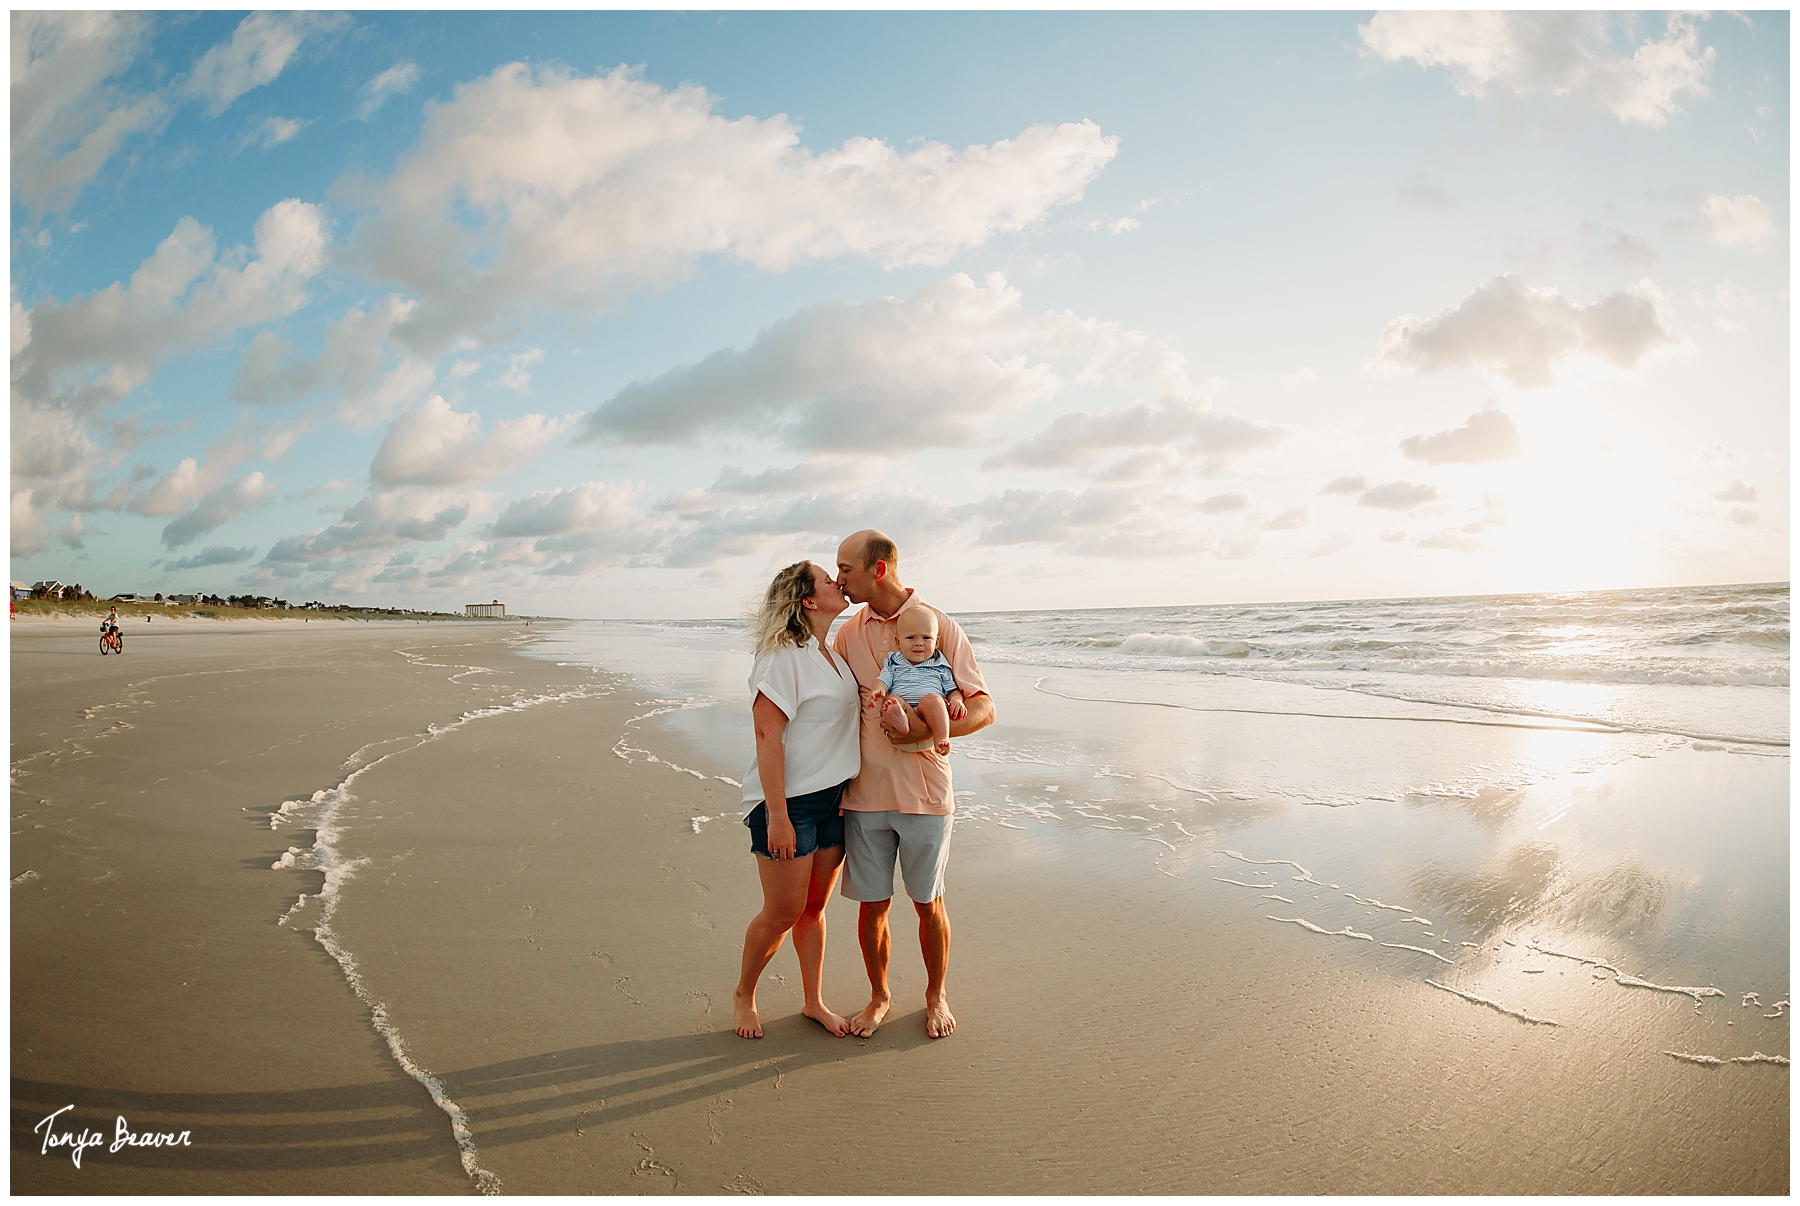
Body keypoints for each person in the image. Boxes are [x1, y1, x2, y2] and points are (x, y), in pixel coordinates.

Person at [833, 530, 995, 1039]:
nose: (839, 579)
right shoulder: (847, 634)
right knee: (872, 906)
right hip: (862, 795)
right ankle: (879, 997)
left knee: (929, 904)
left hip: (925, 794)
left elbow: (985, 707)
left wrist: (927, 731)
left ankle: (935, 996)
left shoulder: (937, 626)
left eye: (846, 569)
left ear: (877, 569)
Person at [732, 560, 861, 1040]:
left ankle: (813, 1002)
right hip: (788, 805)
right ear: (808, 600)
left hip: (832, 800)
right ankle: (745, 994)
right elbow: (768, 737)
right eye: (828, 579)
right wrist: (779, 817)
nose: (838, 582)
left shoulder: (829, 652)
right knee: (782, 913)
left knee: (812, 911)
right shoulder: (781, 656)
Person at [867, 608, 965, 756]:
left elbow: (952, 691)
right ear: (898, 642)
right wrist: (877, 690)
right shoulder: (894, 663)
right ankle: (901, 721)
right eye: (911, 638)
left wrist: (957, 701)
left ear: (936, 642)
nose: (919, 643)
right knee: (891, 701)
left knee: (933, 700)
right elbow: (883, 680)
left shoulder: (940, 667)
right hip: (902, 717)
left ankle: (942, 739)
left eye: (926, 638)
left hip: (928, 720)